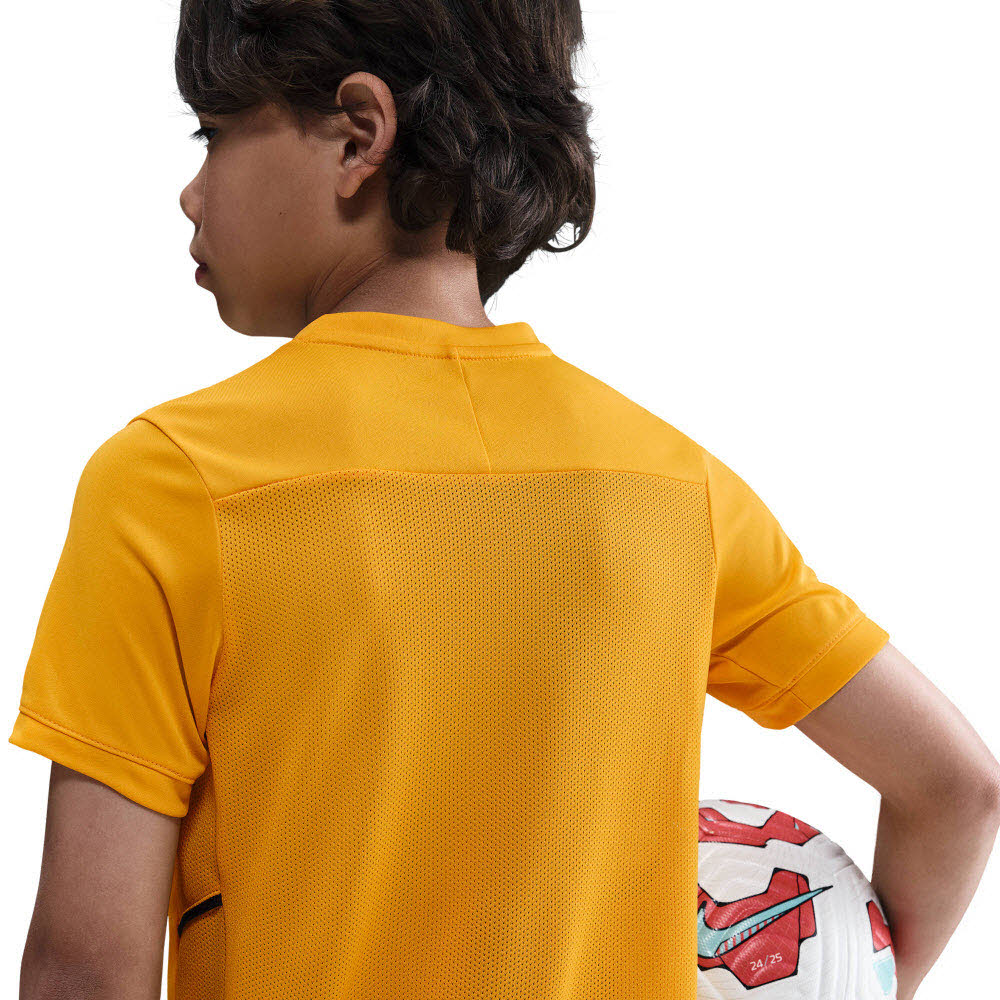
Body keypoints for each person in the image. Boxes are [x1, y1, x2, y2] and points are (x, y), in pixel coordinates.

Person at [10, 2, 999, 999]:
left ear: (359, 135)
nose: (192, 192)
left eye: (214, 133)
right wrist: (863, 978)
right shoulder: (676, 490)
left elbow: (86, 972)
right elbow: (958, 789)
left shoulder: (175, 483)